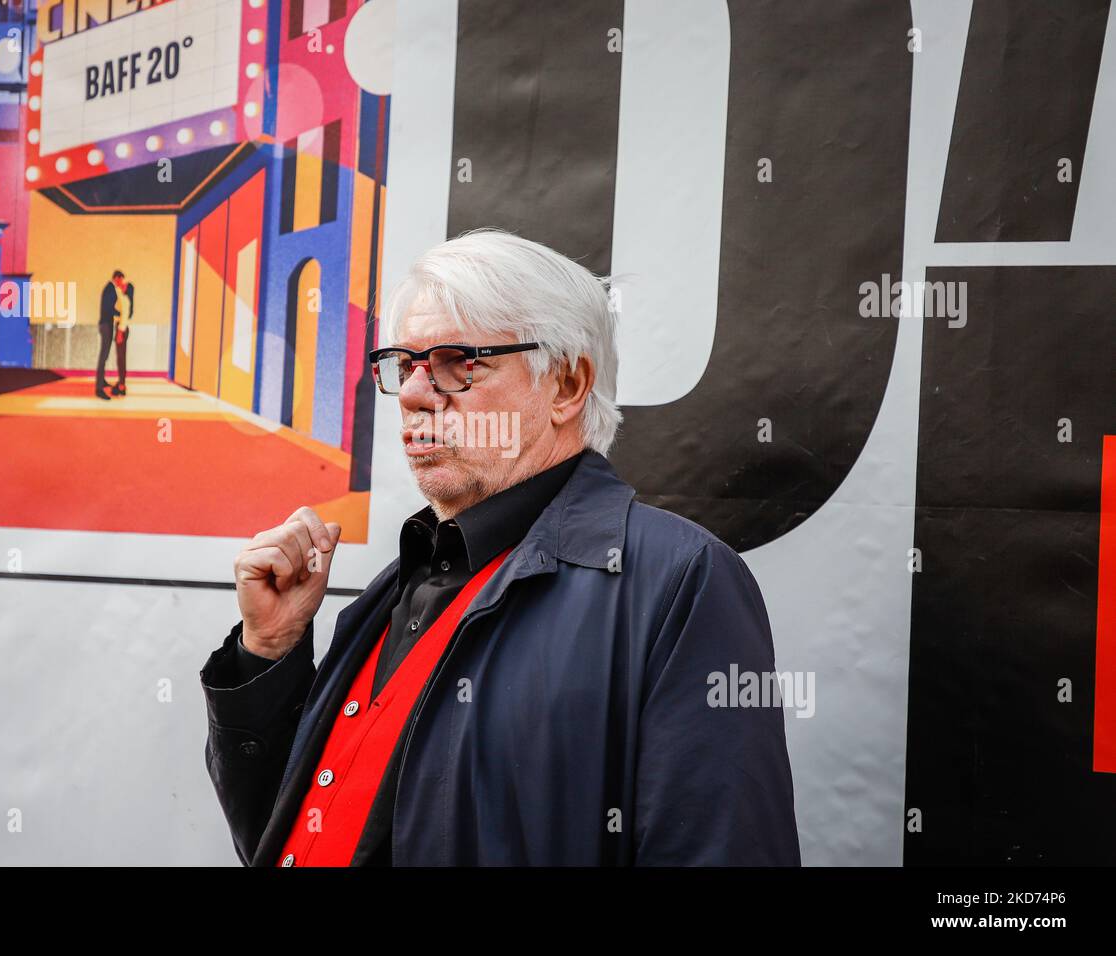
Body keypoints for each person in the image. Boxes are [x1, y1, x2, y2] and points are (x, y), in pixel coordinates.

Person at [199, 228, 801, 866]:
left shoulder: (679, 581)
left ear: (567, 387)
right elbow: (286, 837)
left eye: (458, 362)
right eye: (404, 365)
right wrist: (268, 654)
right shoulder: (400, 583)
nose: (410, 394)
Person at [96, 270, 133, 400]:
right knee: (106, 356)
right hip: (107, 325)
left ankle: (117, 385)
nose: (121, 285)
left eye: (124, 284)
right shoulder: (111, 289)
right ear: (116, 278)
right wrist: (117, 315)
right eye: (121, 281)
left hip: (118, 328)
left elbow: (123, 314)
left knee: (118, 358)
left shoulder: (122, 296)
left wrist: (120, 331)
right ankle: (99, 387)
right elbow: (109, 308)